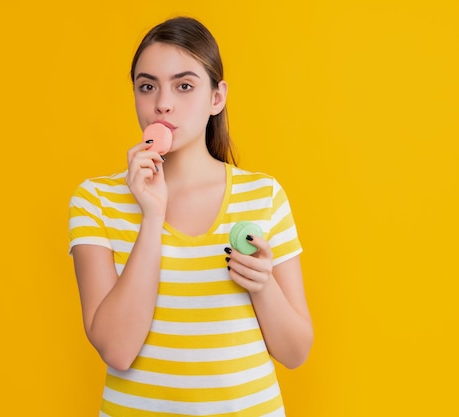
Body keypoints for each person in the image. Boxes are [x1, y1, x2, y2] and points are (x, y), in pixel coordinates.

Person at [69, 16, 313, 417]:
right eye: (147, 86)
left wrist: (263, 285)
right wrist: (152, 216)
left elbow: (295, 352)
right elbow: (116, 349)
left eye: (184, 86)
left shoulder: (264, 196)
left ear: (217, 98)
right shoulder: (95, 200)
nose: (163, 103)